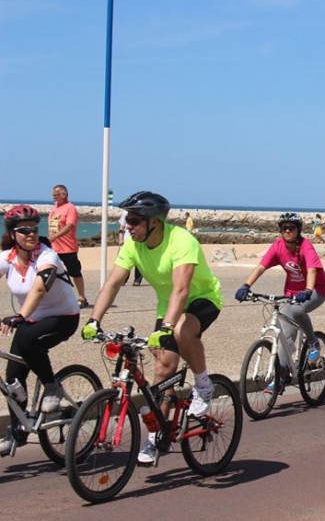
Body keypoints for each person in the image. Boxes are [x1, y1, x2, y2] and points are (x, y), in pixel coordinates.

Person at [81, 191, 223, 465]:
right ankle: (157, 435)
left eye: (134, 221)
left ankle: (204, 384)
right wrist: (93, 320)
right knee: (162, 370)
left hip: (202, 298)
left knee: (182, 332)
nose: (127, 226)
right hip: (166, 305)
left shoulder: (182, 240)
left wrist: (167, 327)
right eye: (126, 220)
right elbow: (112, 284)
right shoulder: (133, 245)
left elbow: (182, 290)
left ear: (154, 222)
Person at [0, 205, 80, 455]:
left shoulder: (47, 256)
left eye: (34, 229)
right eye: (24, 230)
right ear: (12, 234)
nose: (31, 234)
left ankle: (51, 385)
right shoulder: (7, 258)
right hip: (32, 320)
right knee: (12, 378)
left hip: (63, 317)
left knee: (26, 336)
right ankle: (17, 431)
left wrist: (20, 316)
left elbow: (38, 288)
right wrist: (24, 317)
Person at [235, 212, 325, 378]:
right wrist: (246, 286)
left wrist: (308, 290)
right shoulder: (278, 247)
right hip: (291, 294)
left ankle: (313, 342)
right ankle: (282, 375)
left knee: (296, 311)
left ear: (298, 230)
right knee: (286, 337)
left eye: (291, 228)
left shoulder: (306, 245)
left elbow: (312, 269)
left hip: (316, 290)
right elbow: (260, 267)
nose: (288, 231)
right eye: (284, 228)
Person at [48, 184, 88, 308]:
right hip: (53, 248)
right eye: (53, 195)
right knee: (51, 272)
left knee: (74, 272)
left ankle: (82, 297)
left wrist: (55, 236)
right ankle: (54, 298)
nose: (54, 197)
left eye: (56, 195)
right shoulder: (54, 208)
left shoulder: (70, 208)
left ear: (63, 195)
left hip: (67, 248)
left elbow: (70, 225)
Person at [117, 211, 143, 286]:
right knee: (126, 261)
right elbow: (122, 227)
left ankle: (137, 280)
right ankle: (124, 279)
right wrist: (120, 239)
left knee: (139, 261)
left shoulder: (142, 213)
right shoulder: (125, 213)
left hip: (139, 240)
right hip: (127, 240)